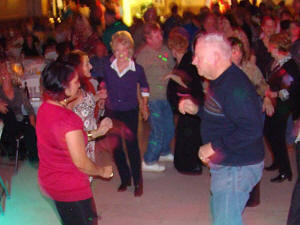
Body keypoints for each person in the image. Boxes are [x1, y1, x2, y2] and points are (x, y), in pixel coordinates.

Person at [179, 33, 264, 225]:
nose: (193, 61)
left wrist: (215, 146)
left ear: (215, 57)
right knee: (221, 215)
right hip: (229, 164)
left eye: (198, 56)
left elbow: (252, 129)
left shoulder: (234, 86)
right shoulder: (220, 79)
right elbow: (224, 115)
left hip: (237, 167)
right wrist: (198, 110)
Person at [36, 61, 113, 225]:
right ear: (64, 87)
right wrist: (102, 171)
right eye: (75, 81)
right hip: (70, 188)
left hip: (52, 182)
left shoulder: (45, 109)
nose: (79, 84)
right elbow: (81, 162)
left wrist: (97, 132)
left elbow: (65, 141)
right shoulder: (68, 119)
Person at [99, 31, 149, 196]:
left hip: (130, 111)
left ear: (130, 50)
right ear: (113, 50)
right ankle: (125, 179)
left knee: (132, 146)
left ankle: (138, 181)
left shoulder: (137, 69)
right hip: (112, 111)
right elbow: (103, 82)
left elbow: (144, 87)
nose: (120, 54)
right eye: (117, 50)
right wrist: (103, 91)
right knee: (116, 147)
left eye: (124, 49)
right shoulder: (108, 67)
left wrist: (145, 105)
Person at [136, 23, 176, 172]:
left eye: (160, 34)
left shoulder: (165, 50)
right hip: (152, 99)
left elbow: (172, 67)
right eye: (157, 35)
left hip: (165, 97)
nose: (161, 38)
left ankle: (164, 152)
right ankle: (149, 160)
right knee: (158, 130)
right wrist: (141, 103)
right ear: (148, 38)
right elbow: (138, 81)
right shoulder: (143, 55)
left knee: (169, 128)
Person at [166, 27, 204, 174]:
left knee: (189, 134)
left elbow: (189, 82)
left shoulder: (187, 62)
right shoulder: (183, 61)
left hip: (189, 103)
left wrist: (173, 77)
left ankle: (192, 164)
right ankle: (188, 163)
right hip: (185, 104)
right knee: (185, 133)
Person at [264, 32, 300, 182]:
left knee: (277, 136)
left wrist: (274, 94)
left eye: (270, 47)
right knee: (269, 132)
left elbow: (290, 91)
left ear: (276, 47)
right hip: (274, 104)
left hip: (284, 106)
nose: (268, 49)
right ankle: (278, 161)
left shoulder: (289, 65)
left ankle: (286, 170)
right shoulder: (276, 62)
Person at [65, 50, 106, 175]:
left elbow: (83, 105)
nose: (91, 66)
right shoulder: (71, 91)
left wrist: (97, 98)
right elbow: (64, 123)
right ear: (78, 68)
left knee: (87, 175)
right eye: (87, 64)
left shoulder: (82, 86)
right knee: (81, 175)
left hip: (89, 141)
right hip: (80, 141)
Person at [0, 60, 38, 161]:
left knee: (31, 125)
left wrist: (33, 123)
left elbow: (29, 109)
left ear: (11, 75)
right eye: (1, 72)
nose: (4, 74)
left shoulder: (18, 91)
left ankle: (34, 156)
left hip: (18, 122)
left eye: (6, 72)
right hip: (5, 126)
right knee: (8, 112)